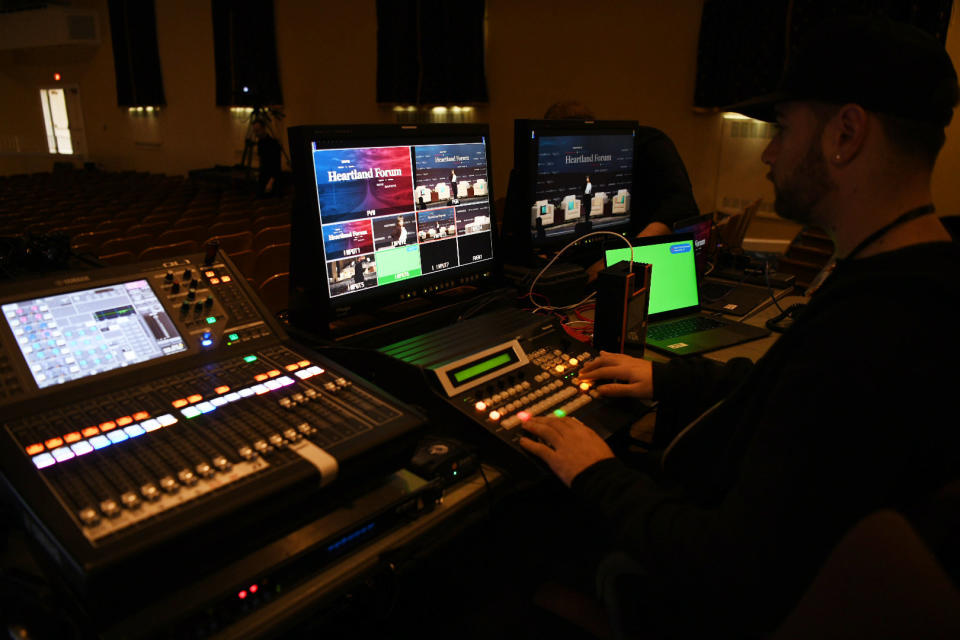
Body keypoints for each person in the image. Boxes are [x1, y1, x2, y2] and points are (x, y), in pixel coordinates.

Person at [520, 16, 960, 637]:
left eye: (783, 128)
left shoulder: (870, 335)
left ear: (847, 133)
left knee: (510, 538)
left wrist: (596, 471)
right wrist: (667, 379)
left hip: (699, 596)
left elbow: (724, 564)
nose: (771, 153)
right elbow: (783, 395)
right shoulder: (913, 285)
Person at [252, 119, 282, 197]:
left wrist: (271, 182)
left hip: (272, 179)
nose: (256, 134)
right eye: (254, 131)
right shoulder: (260, 143)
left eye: (257, 130)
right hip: (263, 177)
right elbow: (262, 161)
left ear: (263, 128)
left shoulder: (273, 143)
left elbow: (276, 165)